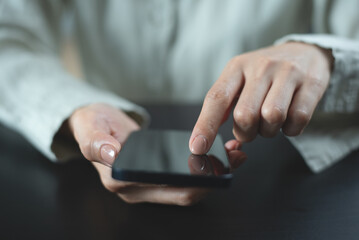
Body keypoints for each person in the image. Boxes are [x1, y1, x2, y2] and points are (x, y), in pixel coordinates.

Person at [0, 0, 358, 206]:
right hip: (85, 185)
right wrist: (76, 108)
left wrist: (323, 57)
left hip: (278, 185)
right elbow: (7, 37)